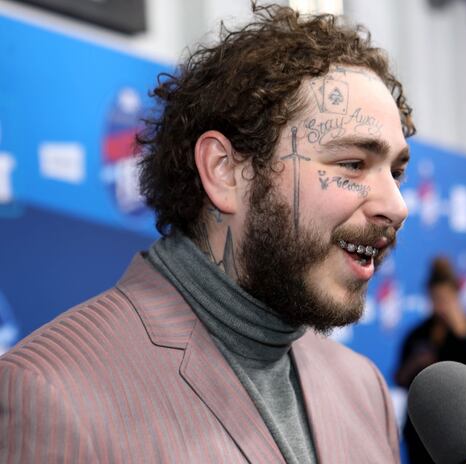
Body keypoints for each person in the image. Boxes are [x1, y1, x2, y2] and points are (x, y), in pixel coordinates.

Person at [0, 4, 415, 463]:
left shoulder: (363, 388)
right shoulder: (51, 393)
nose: (397, 205)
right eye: (352, 164)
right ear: (225, 171)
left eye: (396, 172)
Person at [394, 256, 466, 464]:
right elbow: (399, 378)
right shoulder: (417, 334)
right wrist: (416, 363)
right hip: (423, 434)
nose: (441, 306)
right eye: (435, 299)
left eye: (445, 299)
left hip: (465, 432)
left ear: (456, 295)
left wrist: (464, 333)